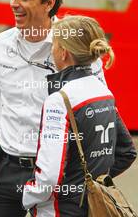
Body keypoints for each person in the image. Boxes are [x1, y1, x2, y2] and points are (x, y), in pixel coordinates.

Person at [0, 0, 107, 217]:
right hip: (6, 168)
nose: (14, 3)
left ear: (49, 3)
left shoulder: (74, 47)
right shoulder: (1, 44)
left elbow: (99, 107)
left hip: (60, 175)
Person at [22, 15, 137, 216]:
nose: (52, 51)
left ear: (64, 53)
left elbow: (48, 177)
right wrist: (92, 185)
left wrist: (27, 196)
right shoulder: (104, 92)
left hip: (61, 210)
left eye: (54, 45)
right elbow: (127, 152)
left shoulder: (60, 100)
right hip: (97, 205)